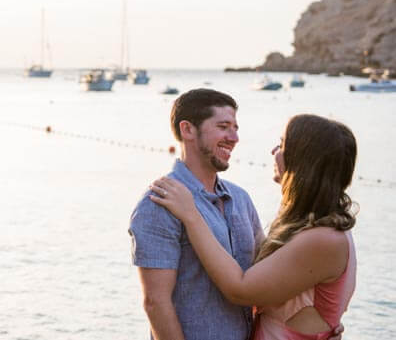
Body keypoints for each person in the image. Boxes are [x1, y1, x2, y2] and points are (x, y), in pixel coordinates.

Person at [150, 114, 357, 340]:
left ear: (303, 160)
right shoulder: (307, 225)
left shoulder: (323, 239)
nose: (273, 152)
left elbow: (240, 290)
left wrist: (191, 215)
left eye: (282, 144)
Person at [128, 88, 264, 340]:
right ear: (188, 130)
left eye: (235, 128)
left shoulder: (242, 199)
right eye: (223, 127)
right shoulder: (158, 203)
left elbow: (264, 278)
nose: (234, 138)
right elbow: (156, 303)